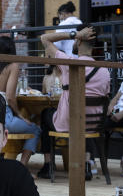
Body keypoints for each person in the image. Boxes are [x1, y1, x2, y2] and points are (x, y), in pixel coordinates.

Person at [39, 25, 111, 180]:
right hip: (94, 125)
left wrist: (74, 34)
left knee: (45, 114)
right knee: (84, 120)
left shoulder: (69, 62)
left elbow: (44, 39)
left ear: (78, 42)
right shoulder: (105, 71)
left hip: (69, 123)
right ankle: (86, 165)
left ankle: (48, 165)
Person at [0, 35, 41, 166]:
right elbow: (9, 97)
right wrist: (20, 115)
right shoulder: (13, 65)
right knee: (35, 129)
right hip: (3, 117)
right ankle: (22, 168)